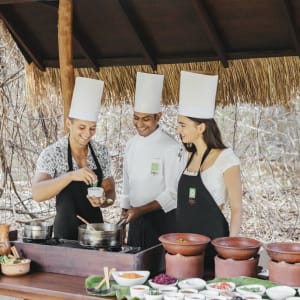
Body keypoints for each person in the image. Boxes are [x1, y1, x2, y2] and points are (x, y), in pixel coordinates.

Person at [32, 77, 116, 240]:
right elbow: (37, 193)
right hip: (65, 235)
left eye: (92, 128)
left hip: (95, 233)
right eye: (82, 127)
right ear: (69, 123)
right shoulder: (52, 153)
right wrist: (71, 175)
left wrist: (104, 201)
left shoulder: (101, 152)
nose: (87, 134)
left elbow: (111, 191)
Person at [176, 71, 242, 271]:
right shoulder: (186, 156)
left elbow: (237, 208)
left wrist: (230, 249)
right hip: (184, 244)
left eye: (183, 125)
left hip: (214, 244)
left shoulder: (226, 158)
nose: (179, 130)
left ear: (201, 127)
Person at [120, 72, 181, 249]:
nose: (140, 123)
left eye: (146, 118)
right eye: (136, 117)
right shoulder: (131, 144)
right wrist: (124, 217)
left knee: (159, 273)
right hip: (135, 220)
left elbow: (172, 193)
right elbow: (126, 183)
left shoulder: (171, 146)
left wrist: (140, 210)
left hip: (163, 221)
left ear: (158, 116)